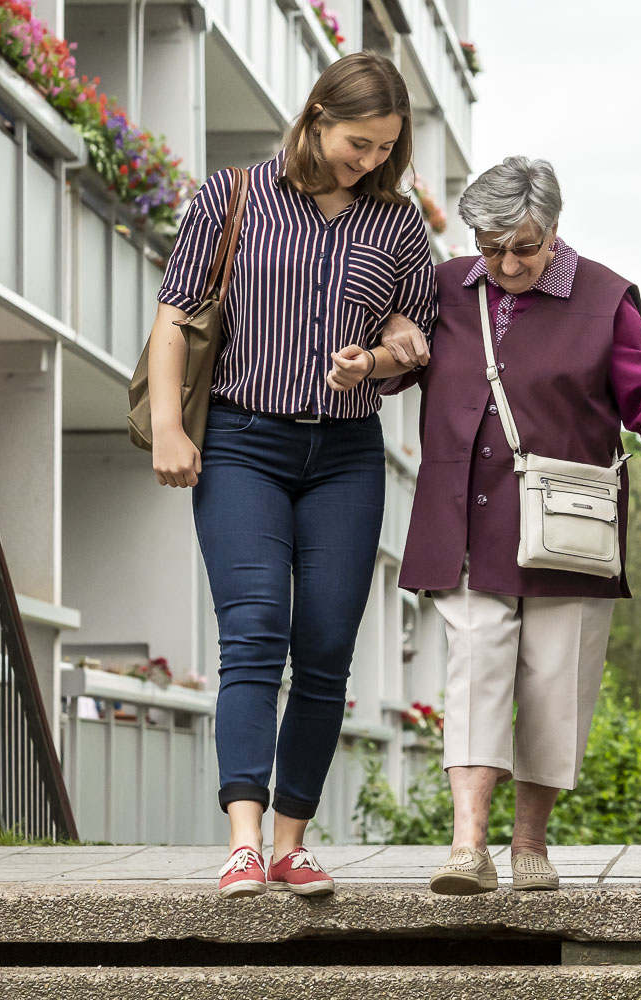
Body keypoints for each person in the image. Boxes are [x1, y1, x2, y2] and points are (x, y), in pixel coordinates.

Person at [372, 156, 641, 893]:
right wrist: (377, 341)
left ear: (555, 230)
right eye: (491, 245)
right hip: (467, 519)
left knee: (554, 681)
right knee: (474, 664)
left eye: (525, 246)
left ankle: (531, 844)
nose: (507, 262)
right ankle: (467, 847)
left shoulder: (604, 297)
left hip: (566, 524)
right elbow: (396, 365)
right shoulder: (446, 287)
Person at [145, 52, 436, 899]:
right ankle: (242, 840)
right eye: (359, 141)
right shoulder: (232, 197)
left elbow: (416, 346)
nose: (372, 160)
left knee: (326, 651)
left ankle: (291, 842)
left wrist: (376, 358)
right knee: (257, 630)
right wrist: (170, 428)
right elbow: (175, 322)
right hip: (241, 442)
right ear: (316, 117)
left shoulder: (398, 226)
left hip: (346, 453)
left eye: (386, 147)